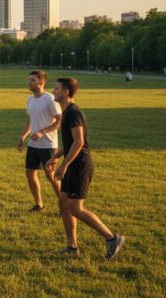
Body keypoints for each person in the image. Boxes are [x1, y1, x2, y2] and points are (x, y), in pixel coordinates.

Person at [46, 78, 125, 259]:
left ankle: (112, 238)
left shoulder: (73, 112)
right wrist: (56, 156)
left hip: (80, 165)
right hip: (72, 164)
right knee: (63, 202)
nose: (54, 91)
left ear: (66, 92)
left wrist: (64, 165)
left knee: (75, 208)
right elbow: (71, 142)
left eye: (57, 88)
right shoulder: (66, 112)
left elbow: (80, 142)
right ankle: (72, 247)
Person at [17, 70, 62, 212]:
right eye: (29, 79)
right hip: (33, 144)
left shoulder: (50, 99)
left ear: (42, 82)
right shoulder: (30, 99)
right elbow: (31, 119)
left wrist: (43, 131)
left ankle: (64, 206)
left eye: (33, 80)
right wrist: (23, 136)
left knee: (51, 176)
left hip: (48, 144)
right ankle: (39, 205)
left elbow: (60, 121)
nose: (29, 82)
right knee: (30, 173)